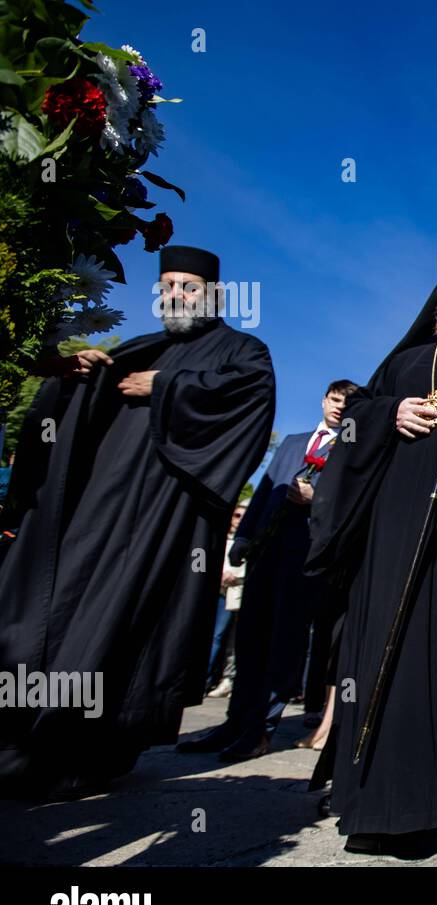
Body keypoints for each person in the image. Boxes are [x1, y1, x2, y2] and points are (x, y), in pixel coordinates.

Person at [0, 244, 275, 796]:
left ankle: (85, 748)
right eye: (167, 286)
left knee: (125, 616)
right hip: (98, 507)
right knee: (64, 605)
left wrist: (166, 387)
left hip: (163, 515)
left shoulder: (242, 349)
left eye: (188, 287)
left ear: (214, 295)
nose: (176, 295)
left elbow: (252, 401)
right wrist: (77, 375)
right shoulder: (140, 347)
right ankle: (27, 735)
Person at [305, 245, 437, 858]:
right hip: (390, 537)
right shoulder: (408, 361)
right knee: (375, 664)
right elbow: (354, 417)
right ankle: (368, 801)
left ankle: (435, 806)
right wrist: (392, 413)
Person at [178, 380, 358, 761]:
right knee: (249, 640)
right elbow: (263, 491)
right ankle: (232, 723)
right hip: (266, 551)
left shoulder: (352, 449)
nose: (340, 407)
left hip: (306, 558)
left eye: (348, 403)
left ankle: (260, 729)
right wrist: (243, 539)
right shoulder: (293, 442)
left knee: (285, 643)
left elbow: (349, 503)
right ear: (324, 399)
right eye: (336, 399)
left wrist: (316, 499)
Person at [205, 500, 249, 698]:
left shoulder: (247, 541)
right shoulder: (220, 537)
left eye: (243, 517)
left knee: (230, 640)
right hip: (218, 592)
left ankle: (226, 680)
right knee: (213, 636)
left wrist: (236, 577)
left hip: (237, 593)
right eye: (237, 515)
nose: (238, 520)